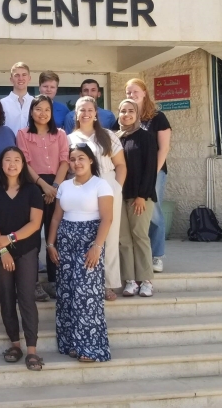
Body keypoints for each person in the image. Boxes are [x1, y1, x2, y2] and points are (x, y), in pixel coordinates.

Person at [46, 143, 114, 362]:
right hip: (65, 242)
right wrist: (50, 244)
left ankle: (90, 348)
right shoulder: (64, 186)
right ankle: (71, 344)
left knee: (87, 295)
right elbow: (56, 218)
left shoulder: (100, 185)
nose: (76, 163)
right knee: (67, 293)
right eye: (73, 159)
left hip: (89, 242)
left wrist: (97, 247)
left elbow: (107, 218)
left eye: (81, 158)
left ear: (91, 160)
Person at [0, 146, 44, 371]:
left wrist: (9, 239)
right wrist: (2, 250)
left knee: (27, 298)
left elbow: (35, 224)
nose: (12, 164)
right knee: (7, 297)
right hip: (1, 251)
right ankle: (15, 344)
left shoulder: (32, 190)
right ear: (1, 164)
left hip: (27, 249)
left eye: (17, 160)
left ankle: (32, 350)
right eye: (7, 160)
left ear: (23, 165)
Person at [68, 96, 126, 301]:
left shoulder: (108, 135)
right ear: (76, 113)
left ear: (95, 113)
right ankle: (88, 281)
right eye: (81, 110)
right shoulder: (69, 139)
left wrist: (117, 187)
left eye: (90, 109)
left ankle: (108, 284)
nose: (86, 113)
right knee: (89, 236)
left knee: (109, 236)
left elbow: (120, 165)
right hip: (83, 190)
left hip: (108, 187)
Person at [16, 95, 69, 302]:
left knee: (53, 234)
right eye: (38, 109)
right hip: (33, 185)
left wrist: (54, 187)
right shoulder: (23, 134)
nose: (43, 113)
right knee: (32, 235)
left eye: (47, 109)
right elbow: (25, 163)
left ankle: (55, 281)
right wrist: (44, 186)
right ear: (31, 111)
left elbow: (65, 161)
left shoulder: (61, 134)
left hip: (58, 185)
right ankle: (33, 283)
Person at [125, 78, 171, 274]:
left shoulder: (157, 117)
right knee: (137, 214)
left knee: (154, 213)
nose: (132, 95)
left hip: (155, 172)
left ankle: (157, 255)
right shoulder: (128, 116)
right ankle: (141, 255)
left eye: (135, 91)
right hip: (132, 174)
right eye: (128, 92)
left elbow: (164, 148)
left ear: (144, 93)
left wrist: (152, 174)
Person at [116, 99, 158, 298]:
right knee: (123, 239)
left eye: (130, 111)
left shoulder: (145, 137)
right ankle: (130, 280)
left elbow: (151, 168)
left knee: (140, 236)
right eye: (123, 111)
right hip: (120, 196)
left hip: (140, 196)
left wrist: (142, 195)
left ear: (137, 114)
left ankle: (146, 280)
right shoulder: (116, 138)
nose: (126, 114)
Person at [0, 62, 33, 135]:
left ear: (29, 78)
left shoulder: (36, 103)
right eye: (17, 75)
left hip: (31, 145)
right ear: (11, 79)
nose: (21, 78)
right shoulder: (1, 104)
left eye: (24, 75)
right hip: (8, 145)